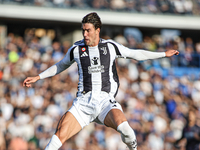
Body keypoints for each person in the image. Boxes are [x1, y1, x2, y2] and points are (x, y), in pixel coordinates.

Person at [23, 12, 179, 150]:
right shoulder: (76, 49)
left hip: (105, 102)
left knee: (127, 130)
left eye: (88, 30)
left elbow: (135, 54)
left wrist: (163, 54)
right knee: (58, 137)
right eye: (83, 30)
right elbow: (60, 65)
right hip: (83, 104)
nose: (85, 34)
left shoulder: (110, 46)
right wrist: (38, 77)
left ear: (97, 30)